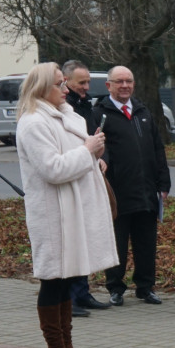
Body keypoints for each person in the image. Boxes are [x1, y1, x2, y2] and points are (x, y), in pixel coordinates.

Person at [15, 62, 118, 348]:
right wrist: (88, 151)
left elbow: (76, 159)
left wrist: (94, 156)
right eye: (59, 83)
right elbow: (53, 169)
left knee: (68, 279)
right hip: (52, 214)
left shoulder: (67, 115)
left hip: (72, 210)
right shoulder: (33, 122)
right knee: (53, 279)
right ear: (42, 88)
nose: (65, 88)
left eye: (64, 82)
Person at [94, 66, 171, 306]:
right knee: (117, 242)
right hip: (117, 192)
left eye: (129, 81)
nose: (125, 86)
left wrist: (163, 182)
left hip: (146, 191)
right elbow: (98, 149)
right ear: (109, 86)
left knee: (146, 243)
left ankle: (145, 287)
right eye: (119, 81)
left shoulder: (143, 111)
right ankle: (115, 288)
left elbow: (157, 148)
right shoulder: (100, 114)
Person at [61, 59, 112, 316]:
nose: (87, 87)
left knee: (84, 238)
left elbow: (96, 137)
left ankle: (82, 293)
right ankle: (69, 298)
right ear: (66, 81)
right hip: (71, 178)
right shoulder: (64, 109)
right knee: (72, 241)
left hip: (89, 173)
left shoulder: (85, 105)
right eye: (82, 82)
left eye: (88, 81)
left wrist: (102, 157)